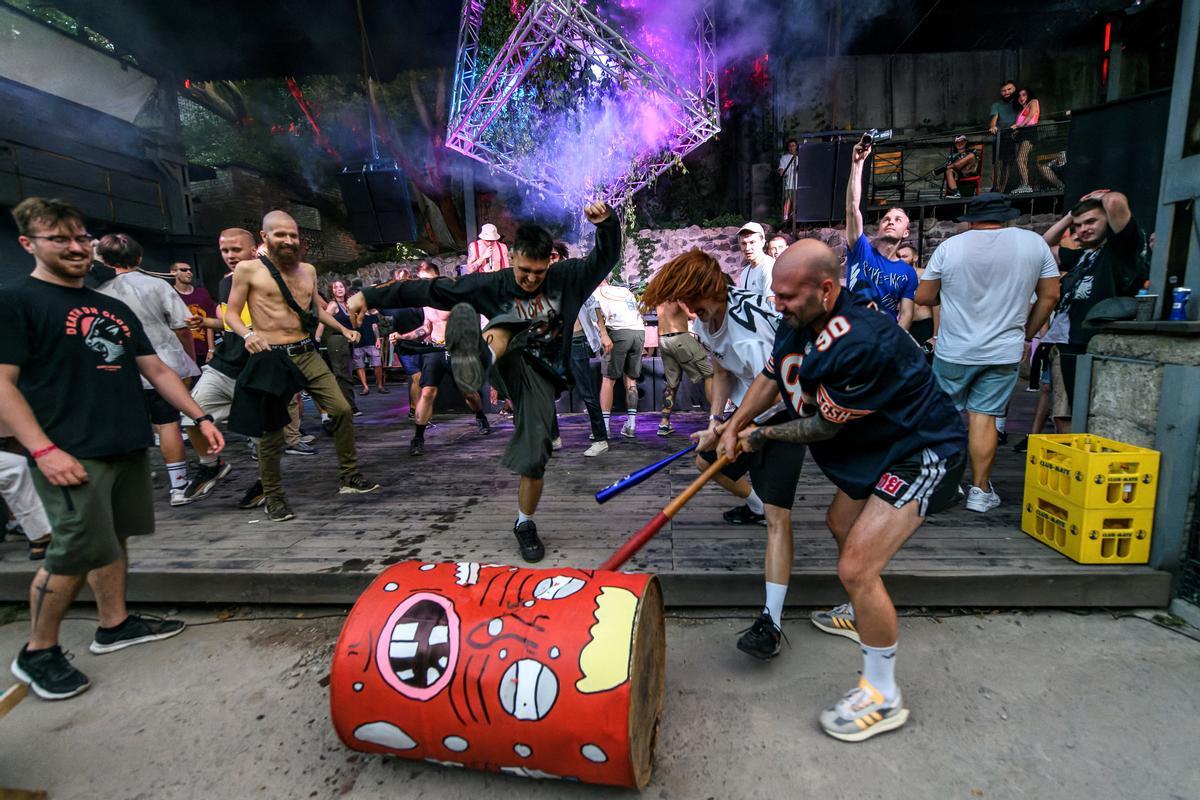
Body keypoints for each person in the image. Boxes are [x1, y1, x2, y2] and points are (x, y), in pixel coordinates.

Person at [718, 239, 966, 741]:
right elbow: (771, 375)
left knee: (856, 566)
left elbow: (820, 428)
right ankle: (861, 610)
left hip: (922, 448)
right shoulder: (797, 320)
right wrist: (733, 421)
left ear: (826, 289)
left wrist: (759, 435)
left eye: (786, 296)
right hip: (879, 444)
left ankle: (882, 695)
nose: (776, 304)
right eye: (776, 294)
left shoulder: (861, 341)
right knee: (839, 522)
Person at [1, 197, 225, 700]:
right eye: (59, 238)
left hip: (124, 442)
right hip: (68, 450)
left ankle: (114, 623)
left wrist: (200, 416)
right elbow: (3, 385)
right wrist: (42, 451)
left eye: (82, 237)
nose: (76, 247)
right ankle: (37, 651)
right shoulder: (16, 302)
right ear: (28, 244)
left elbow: (159, 370)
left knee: (115, 537)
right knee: (73, 550)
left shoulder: (112, 306)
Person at [352, 202, 620, 562]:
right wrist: (369, 295)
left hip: (542, 375)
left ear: (550, 265)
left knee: (535, 453)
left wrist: (606, 224)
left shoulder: (568, 276)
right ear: (512, 258)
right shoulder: (493, 283)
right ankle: (475, 360)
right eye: (524, 271)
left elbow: (605, 257)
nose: (530, 279)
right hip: (503, 362)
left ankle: (524, 523)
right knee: (505, 324)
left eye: (539, 273)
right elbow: (432, 290)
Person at [640, 249, 805, 659]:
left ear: (709, 290)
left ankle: (771, 621)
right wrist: (717, 421)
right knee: (705, 461)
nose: (687, 311)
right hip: (749, 410)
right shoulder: (710, 319)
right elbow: (722, 368)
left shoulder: (748, 328)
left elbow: (775, 389)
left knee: (778, 518)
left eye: (690, 301)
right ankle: (752, 503)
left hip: (787, 415)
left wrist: (733, 429)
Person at [224, 211, 379, 522]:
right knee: (271, 432)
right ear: (264, 237)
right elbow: (231, 314)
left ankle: (349, 477)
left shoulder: (308, 270)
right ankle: (273, 496)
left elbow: (315, 310)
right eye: (281, 234)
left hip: (307, 352)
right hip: (271, 356)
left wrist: (343, 328)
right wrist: (248, 334)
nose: (289, 240)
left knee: (341, 409)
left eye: (293, 235)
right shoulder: (248, 270)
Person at [915, 193, 1060, 512]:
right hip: (1001, 352)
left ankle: (938, 486)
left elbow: (923, 296)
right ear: (1006, 216)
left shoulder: (951, 246)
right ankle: (980, 492)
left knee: (945, 416)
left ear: (971, 218)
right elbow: (1050, 296)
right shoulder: (1033, 243)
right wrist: (1025, 334)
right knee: (984, 418)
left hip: (954, 349)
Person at [94, 234, 201, 507]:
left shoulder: (100, 292)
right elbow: (182, 326)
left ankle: (135, 480)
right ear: (139, 258)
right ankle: (179, 487)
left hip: (121, 368)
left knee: (132, 425)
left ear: (105, 260)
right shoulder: (158, 286)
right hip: (164, 364)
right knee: (168, 425)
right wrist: (189, 360)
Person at [1041, 191, 1150, 432]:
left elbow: (1116, 203)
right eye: (1078, 226)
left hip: (1092, 345)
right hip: (1068, 344)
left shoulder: (1120, 250)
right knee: (1065, 415)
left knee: (1087, 417)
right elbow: (1043, 246)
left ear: (1107, 221)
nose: (1083, 230)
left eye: (1091, 222)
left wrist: (1104, 196)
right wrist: (1070, 216)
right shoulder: (1081, 256)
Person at [404, 262, 491, 457]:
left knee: (469, 393)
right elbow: (426, 327)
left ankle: (480, 415)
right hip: (434, 349)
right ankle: (418, 437)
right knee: (427, 392)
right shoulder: (425, 302)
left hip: (456, 350)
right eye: (420, 280)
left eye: (426, 280)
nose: (423, 284)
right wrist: (405, 336)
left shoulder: (451, 296)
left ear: (436, 278)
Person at [844, 141, 917, 329]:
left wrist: (894, 345)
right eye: (886, 219)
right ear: (879, 228)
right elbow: (852, 209)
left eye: (898, 219)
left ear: (906, 232)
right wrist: (857, 164)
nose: (891, 221)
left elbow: (907, 313)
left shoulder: (907, 273)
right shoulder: (861, 250)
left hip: (884, 339)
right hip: (852, 335)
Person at [560, 242, 610, 457]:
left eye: (554, 256)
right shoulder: (544, 283)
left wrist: (604, 333)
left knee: (587, 392)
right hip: (555, 343)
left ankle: (600, 439)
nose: (551, 260)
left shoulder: (573, 281)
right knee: (546, 390)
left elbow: (594, 305)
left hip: (576, 341)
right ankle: (552, 437)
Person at [594, 278, 645, 439]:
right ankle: (631, 425)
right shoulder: (625, 291)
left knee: (608, 379)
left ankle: (605, 427)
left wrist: (603, 334)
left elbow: (595, 315)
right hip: (638, 332)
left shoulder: (595, 292)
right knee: (631, 379)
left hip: (619, 332)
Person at [655, 300, 712, 436]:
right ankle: (716, 419)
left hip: (663, 340)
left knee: (671, 384)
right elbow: (691, 314)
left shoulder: (658, 296)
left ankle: (664, 423)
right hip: (679, 337)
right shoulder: (677, 295)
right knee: (711, 374)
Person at [316, 280, 363, 421]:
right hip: (337, 340)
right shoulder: (333, 305)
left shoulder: (347, 305)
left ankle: (347, 405)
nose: (339, 289)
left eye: (341, 286)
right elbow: (323, 320)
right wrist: (317, 338)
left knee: (347, 373)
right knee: (342, 375)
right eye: (335, 287)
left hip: (348, 341)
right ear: (332, 291)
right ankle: (349, 407)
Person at [172, 262, 216, 366]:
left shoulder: (202, 293)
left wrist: (211, 349)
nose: (189, 273)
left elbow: (210, 321)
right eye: (184, 270)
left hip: (203, 350)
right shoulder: (169, 294)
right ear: (173, 273)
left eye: (190, 270)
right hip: (181, 352)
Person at [988, 80, 1018, 192]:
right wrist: (993, 127)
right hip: (1000, 137)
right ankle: (995, 186)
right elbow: (993, 121)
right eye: (1003, 91)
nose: (1006, 92)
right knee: (997, 163)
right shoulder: (997, 105)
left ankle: (1003, 188)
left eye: (1009, 89)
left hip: (1013, 136)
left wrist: (1016, 127)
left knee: (1008, 164)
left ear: (1015, 89)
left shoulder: (1019, 102)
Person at [351, 300, 387, 395]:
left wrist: (378, 339)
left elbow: (374, 326)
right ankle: (365, 387)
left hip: (371, 340)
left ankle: (380, 385)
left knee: (377, 363)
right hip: (358, 342)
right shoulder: (352, 313)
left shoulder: (370, 312)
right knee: (360, 365)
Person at [1010, 88, 1041, 195]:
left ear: (1029, 95)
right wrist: (1015, 132)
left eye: (1024, 95)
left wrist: (1017, 126)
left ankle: (1026, 186)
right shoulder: (1020, 111)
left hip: (1029, 132)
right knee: (1022, 161)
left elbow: (1031, 116)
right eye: (1019, 96)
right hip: (1022, 134)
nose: (1021, 98)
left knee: (1020, 159)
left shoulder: (1033, 102)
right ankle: (1024, 184)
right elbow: (1021, 124)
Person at [735, 221, 776, 302]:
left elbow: (772, 306)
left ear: (763, 242)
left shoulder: (769, 267)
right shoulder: (745, 272)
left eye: (752, 242)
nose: (747, 248)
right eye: (743, 243)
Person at [778, 138, 800, 223]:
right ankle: (785, 218)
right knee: (788, 200)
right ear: (788, 147)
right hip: (789, 184)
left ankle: (794, 219)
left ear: (796, 147)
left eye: (793, 145)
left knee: (796, 203)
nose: (792, 147)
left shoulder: (799, 157)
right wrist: (782, 173)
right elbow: (781, 169)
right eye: (790, 146)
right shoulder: (784, 158)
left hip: (799, 184)